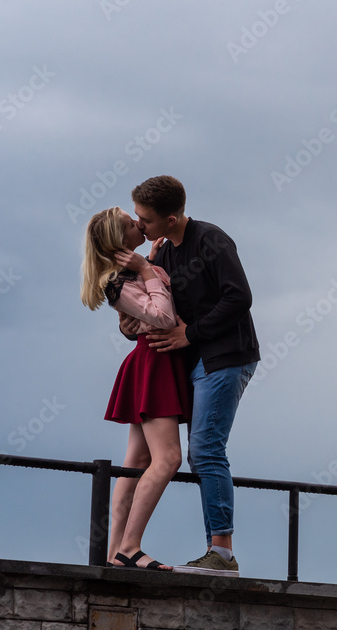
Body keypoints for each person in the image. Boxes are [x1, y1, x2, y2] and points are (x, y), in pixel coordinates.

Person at [120, 175, 260, 577]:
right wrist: (129, 324)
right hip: (195, 360)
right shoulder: (162, 253)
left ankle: (222, 554)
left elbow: (240, 297)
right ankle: (126, 548)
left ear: (173, 217)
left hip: (227, 356)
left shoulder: (212, 240)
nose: (140, 225)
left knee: (205, 450)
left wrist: (189, 334)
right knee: (191, 451)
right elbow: (155, 304)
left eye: (145, 219)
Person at [81, 206, 191, 571]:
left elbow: (141, 319)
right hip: (153, 361)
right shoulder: (120, 281)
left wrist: (149, 264)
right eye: (131, 224)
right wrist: (147, 270)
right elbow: (161, 317)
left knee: (137, 463)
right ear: (120, 240)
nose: (138, 224)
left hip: (153, 360)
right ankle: (129, 547)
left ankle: (114, 552)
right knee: (169, 458)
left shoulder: (133, 270)